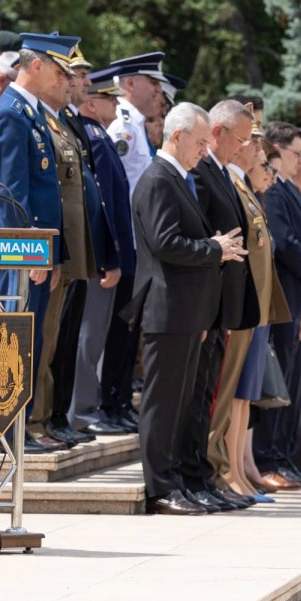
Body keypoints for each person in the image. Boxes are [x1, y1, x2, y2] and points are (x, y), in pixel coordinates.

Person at [128, 102, 246, 515]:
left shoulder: (177, 178)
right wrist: (214, 248)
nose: (203, 149)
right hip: (167, 309)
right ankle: (161, 488)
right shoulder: (160, 179)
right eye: (198, 142)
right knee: (164, 405)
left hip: (186, 309)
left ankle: (181, 481)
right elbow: (165, 243)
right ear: (176, 137)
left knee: (183, 404)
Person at [0, 32, 79, 453]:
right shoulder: (11, 114)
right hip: (18, 252)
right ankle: (0, 430)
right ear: (35, 65)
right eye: (60, 71)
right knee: (12, 339)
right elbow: (10, 194)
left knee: (31, 339)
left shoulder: (33, 113)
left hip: (37, 251)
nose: (65, 80)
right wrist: (26, 253)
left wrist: (51, 255)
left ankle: (16, 428)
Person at [33, 48, 116, 449]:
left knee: (61, 341)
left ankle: (53, 416)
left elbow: (88, 192)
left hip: (74, 247)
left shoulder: (64, 121)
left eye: (79, 76)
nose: (76, 83)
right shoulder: (35, 118)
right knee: (49, 340)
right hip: (49, 251)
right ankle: (40, 419)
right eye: (69, 75)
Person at [186, 100, 261, 512]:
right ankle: (207, 473)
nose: (243, 147)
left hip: (225, 303)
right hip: (208, 301)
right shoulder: (200, 171)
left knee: (211, 395)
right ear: (217, 132)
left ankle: (210, 474)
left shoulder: (219, 172)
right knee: (205, 398)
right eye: (240, 138)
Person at [253, 123, 301, 491]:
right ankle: (268, 458)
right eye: (296, 154)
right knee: (276, 384)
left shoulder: (284, 189)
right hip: (282, 298)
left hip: (296, 299)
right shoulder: (275, 192)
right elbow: (283, 241)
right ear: (278, 150)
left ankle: (279, 456)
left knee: (287, 386)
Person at [69, 65, 136, 436]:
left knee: (94, 335)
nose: (116, 105)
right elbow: (103, 205)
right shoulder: (92, 135)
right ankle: (80, 410)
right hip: (99, 256)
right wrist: (109, 257)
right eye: (110, 98)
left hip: (108, 253)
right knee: (89, 335)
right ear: (93, 102)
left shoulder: (98, 134)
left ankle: (83, 408)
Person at [226, 135, 291, 501]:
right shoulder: (234, 184)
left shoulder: (246, 188)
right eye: (261, 157)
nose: (264, 166)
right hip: (244, 307)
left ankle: (240, 471)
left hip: (258, 307)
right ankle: (232, 472)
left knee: (245, 396)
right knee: (235, 396)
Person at [107, 52, 177, 196]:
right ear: (130, 84)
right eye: (153, 82)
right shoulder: (123, 125)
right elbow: (110, 185)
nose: (158, 89)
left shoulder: (135, 123)